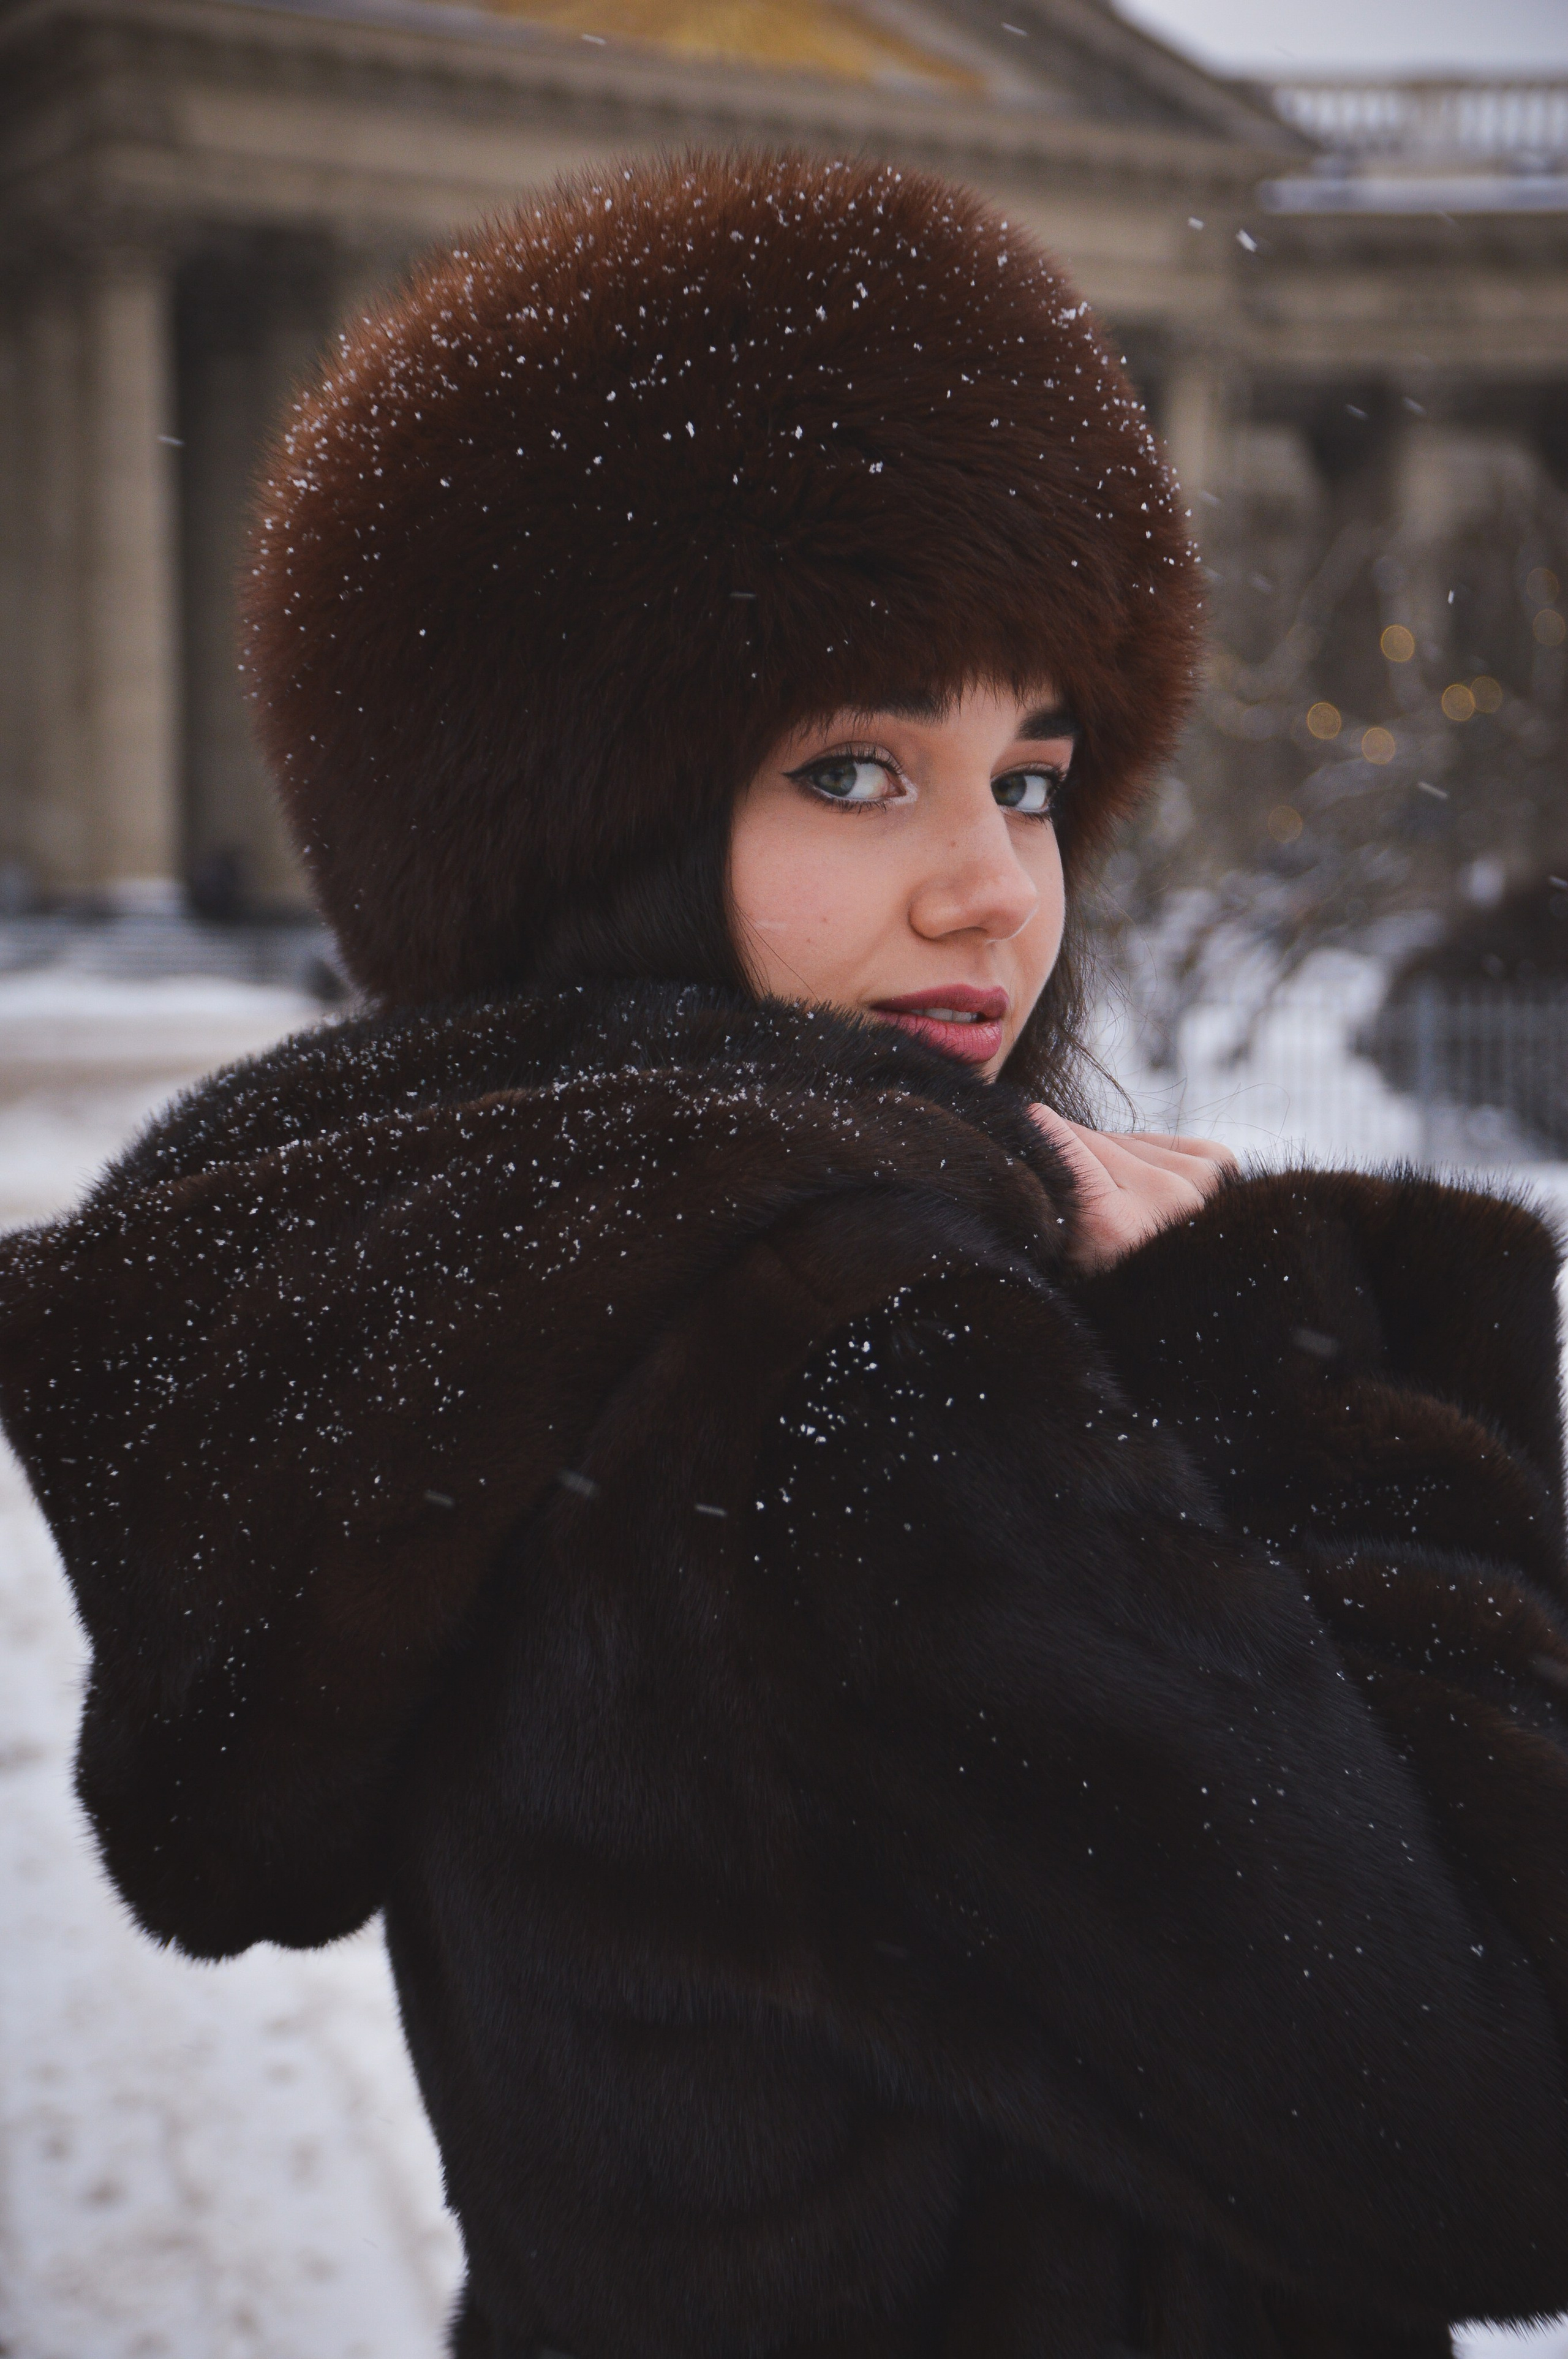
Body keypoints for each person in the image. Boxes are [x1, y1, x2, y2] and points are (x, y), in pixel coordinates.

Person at [2, 152, 1567, 2359]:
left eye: (1027, 775)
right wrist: (1332, 1380)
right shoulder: (845, 1359)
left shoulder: (515, 1277)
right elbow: (1501, 2139)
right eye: (854, 770)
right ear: (588, 809)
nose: (989, 890)